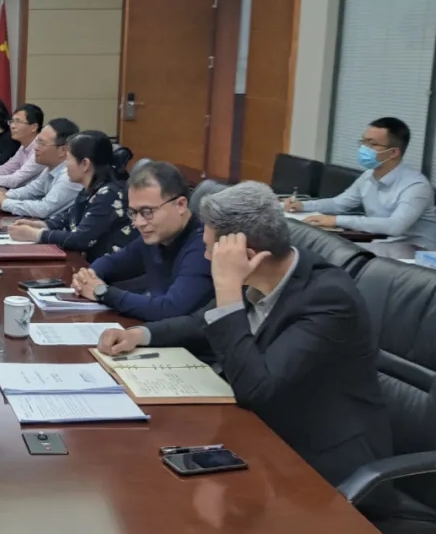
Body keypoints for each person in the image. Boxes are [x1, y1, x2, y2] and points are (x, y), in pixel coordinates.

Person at [99, 181, 392, 491]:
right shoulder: (264, 272)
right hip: (263, 435)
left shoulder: (328, 299)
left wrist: (227, 290)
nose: (206, 257)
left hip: (322, 464)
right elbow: (202, 322)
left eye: (209, 249)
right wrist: (140, 334)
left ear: (247, 255)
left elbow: (257, 389)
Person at [72, 161, 213, 322]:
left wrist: (102, 292)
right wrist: (87, 278)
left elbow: (170, 310)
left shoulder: (203, 247)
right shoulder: (156, 236)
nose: (138, 223)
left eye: (147, 212)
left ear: (180, 205)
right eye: (133, 212)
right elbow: (111, 263)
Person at [284, 117, 436, 250]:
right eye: (363, 142)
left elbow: (395, 226)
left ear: (393, 152)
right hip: (381, 242)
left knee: (337, 255)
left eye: (372, 144)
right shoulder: (368, 175)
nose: (364, 148)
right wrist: (303, 205)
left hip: (415, 250)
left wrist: (335, 220)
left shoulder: (416, 186)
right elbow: (339, 203)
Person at [7, 130, 135, 262]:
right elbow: (68, 218)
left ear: (85, 164)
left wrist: (36, 235)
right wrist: (40, 225)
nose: (65, 166)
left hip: (107, 268)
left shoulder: (109, 195)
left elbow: (80, 239)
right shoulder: (90, 189)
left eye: (68, 159)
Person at [0, 118, 82, 219]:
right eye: (37, 141)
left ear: (63, 150)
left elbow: (44, 209)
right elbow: (31, 190)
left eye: (42, 143)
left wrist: (5, 202)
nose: (35, 148)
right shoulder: (50, 168)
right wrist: (4, 195)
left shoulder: (69, 175)